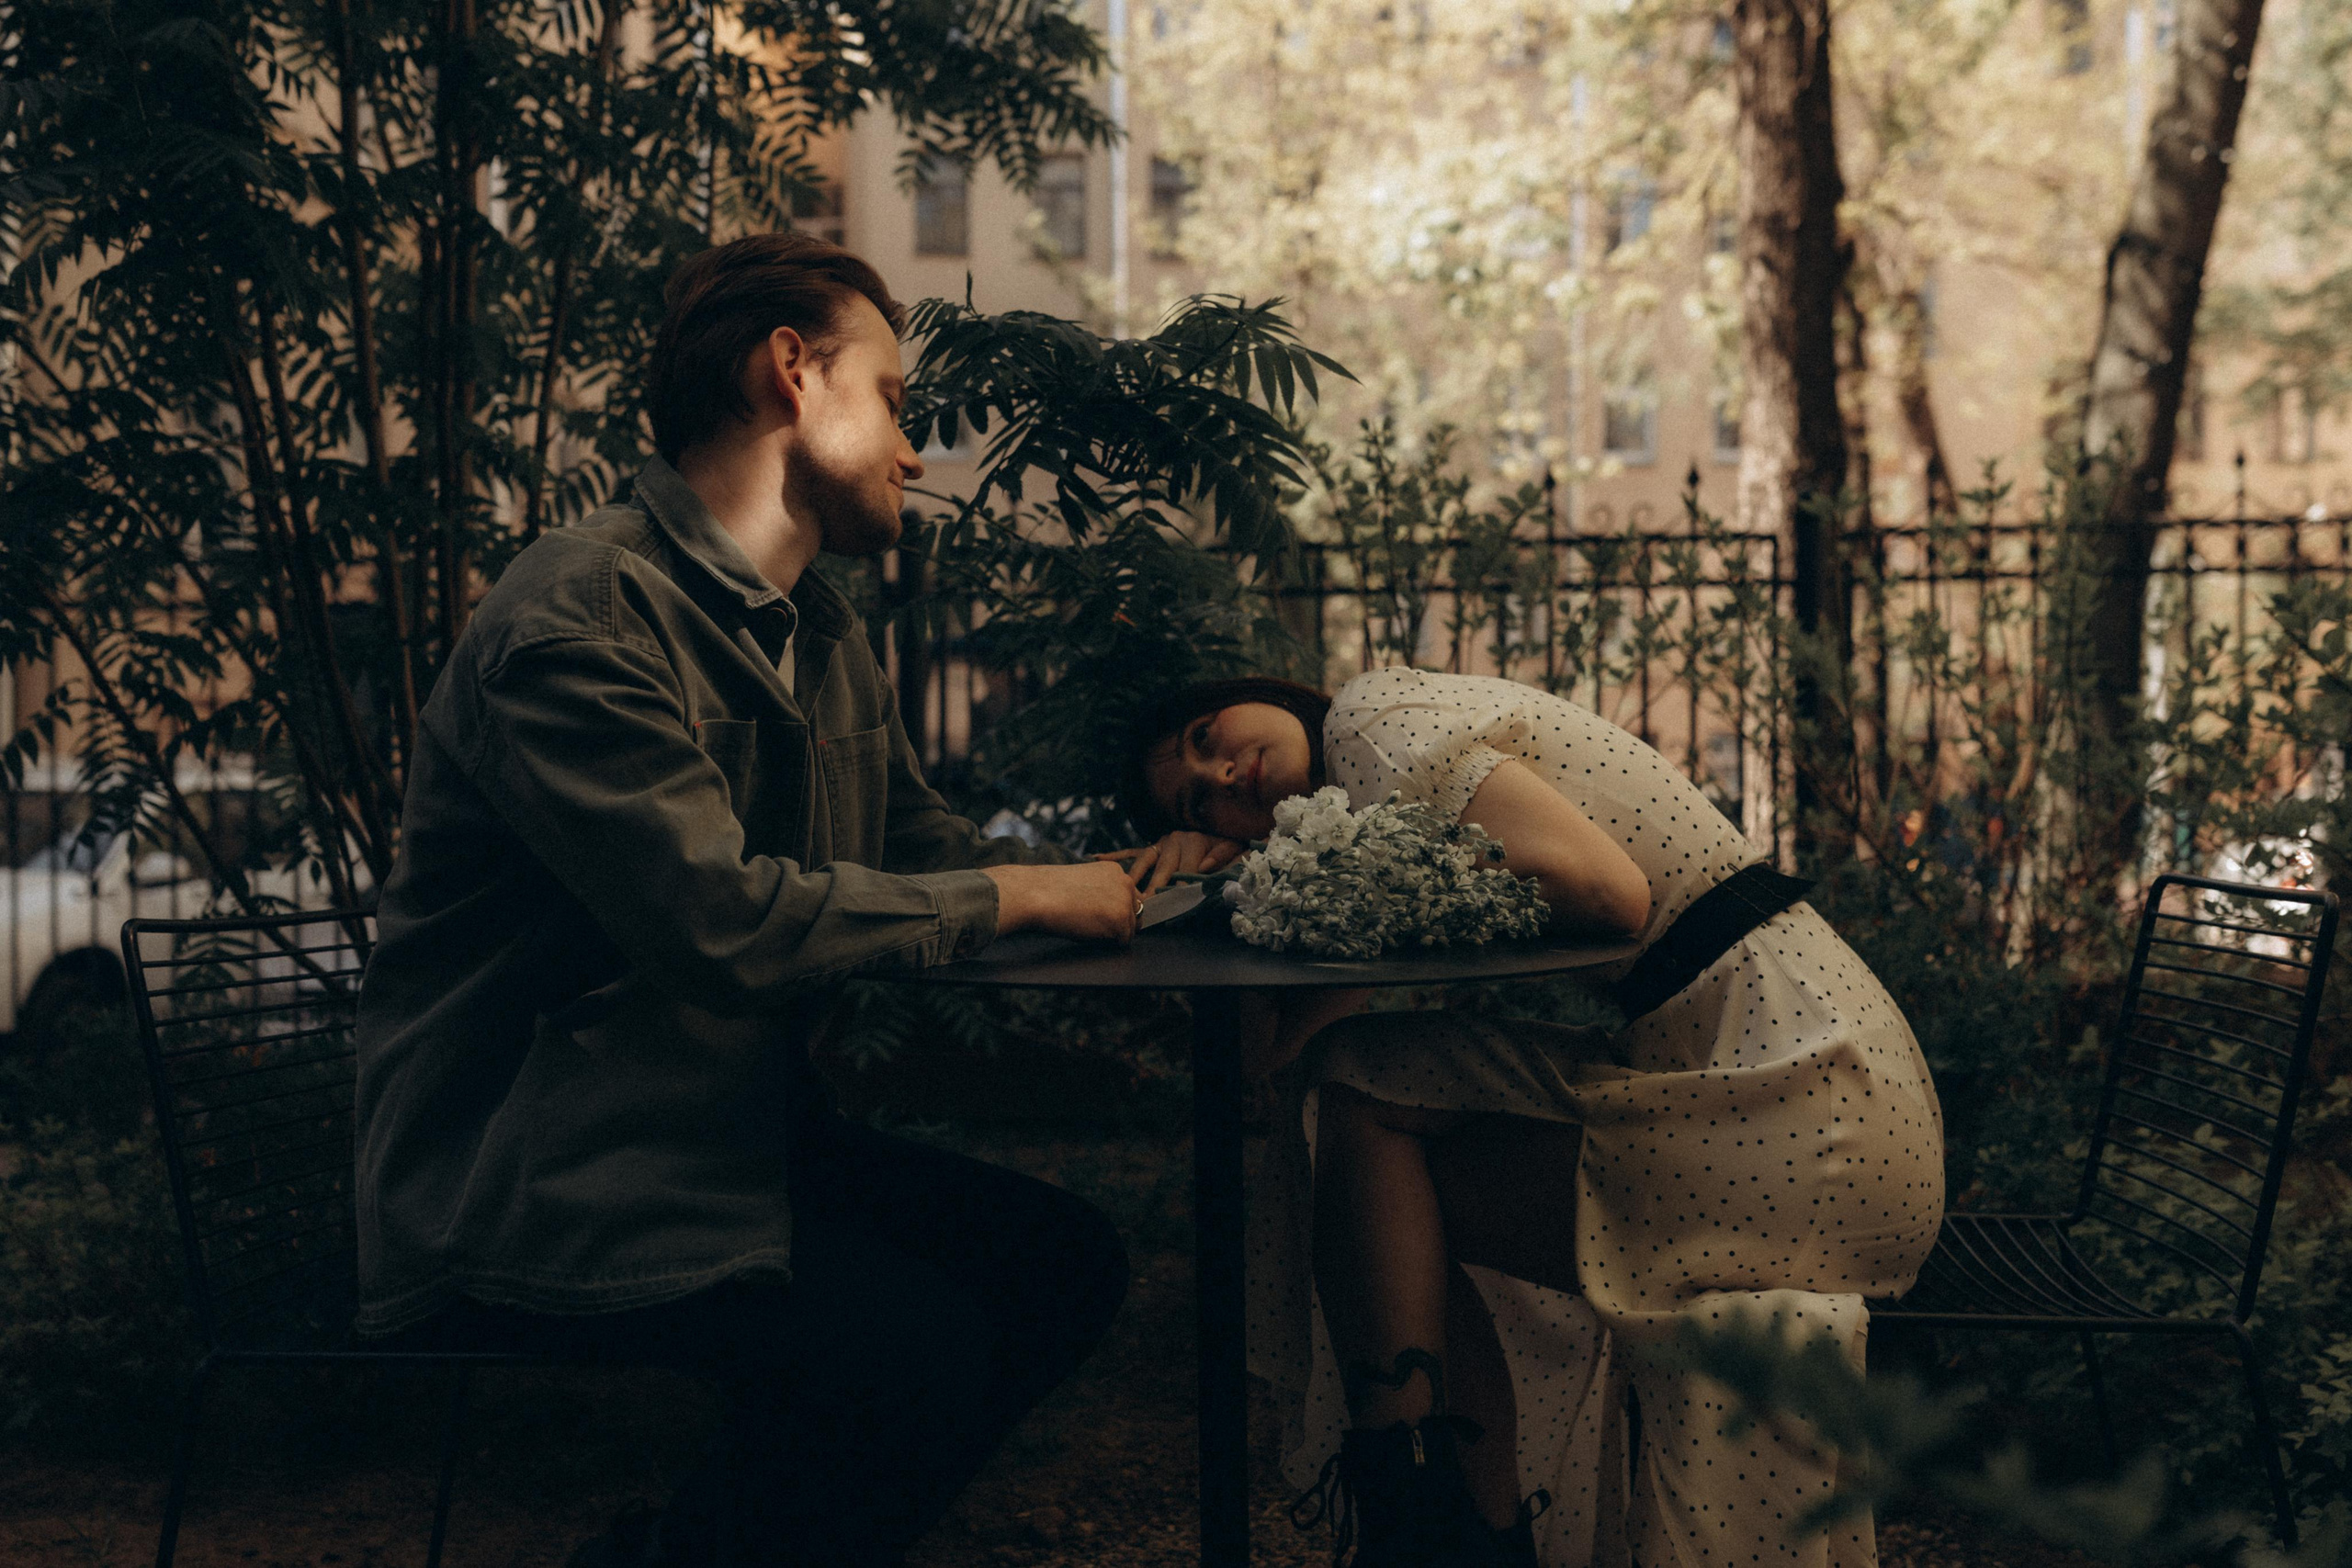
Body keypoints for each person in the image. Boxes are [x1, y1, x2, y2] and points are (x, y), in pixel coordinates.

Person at [353, 233, 1143, 1568]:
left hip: (730, 1135)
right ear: (792, 372)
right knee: (916, 1353)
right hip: (553, 1167)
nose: (913, 451)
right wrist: (1022, 892)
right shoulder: (579, 617)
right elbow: (719, 921)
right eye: (893, 398)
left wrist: (1136, 891)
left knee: (1061, 1261)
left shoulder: (818, 627)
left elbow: (922, 849)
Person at [1113, 671, 1946, 1568]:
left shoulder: (1372, 718)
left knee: (1373, 1130)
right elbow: (1283, 1062)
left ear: (1257, 691)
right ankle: (1457, 1526)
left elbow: (1607, 892)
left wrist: (1276, 873)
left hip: (1810, 1099)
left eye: (1207, 732)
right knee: (1356, 1092)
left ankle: (1428, 1529)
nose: (1223, 774)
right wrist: (1228, 898)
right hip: (1796, 1088)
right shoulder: (1366, 816)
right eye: (1198, 802)